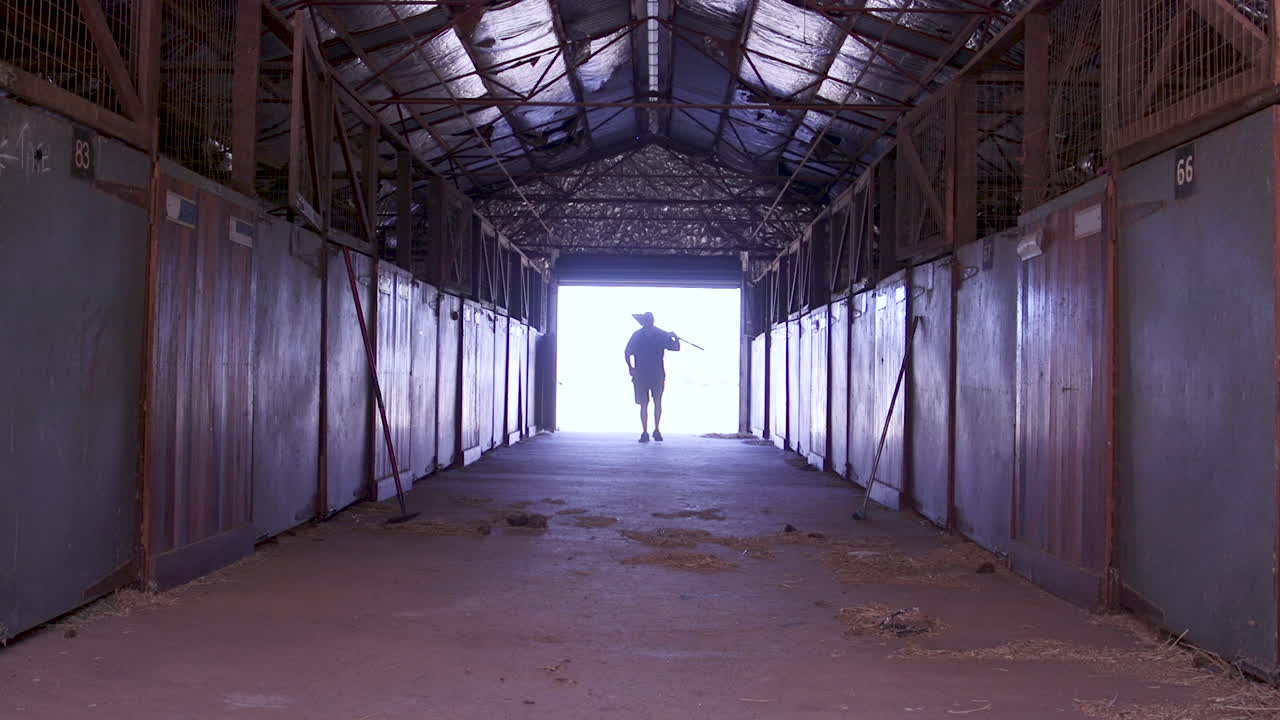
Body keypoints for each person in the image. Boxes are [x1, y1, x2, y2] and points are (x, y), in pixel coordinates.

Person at [624, 312, 680, 443]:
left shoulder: (647, 335)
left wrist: (674, 337)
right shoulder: (652, 335)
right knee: (648, 404)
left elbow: (676, 348)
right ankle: (648, 431)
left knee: (653, 403)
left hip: (652, 374)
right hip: (647, 374)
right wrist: (630, 368)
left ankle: (653, 431)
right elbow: (627, 353)